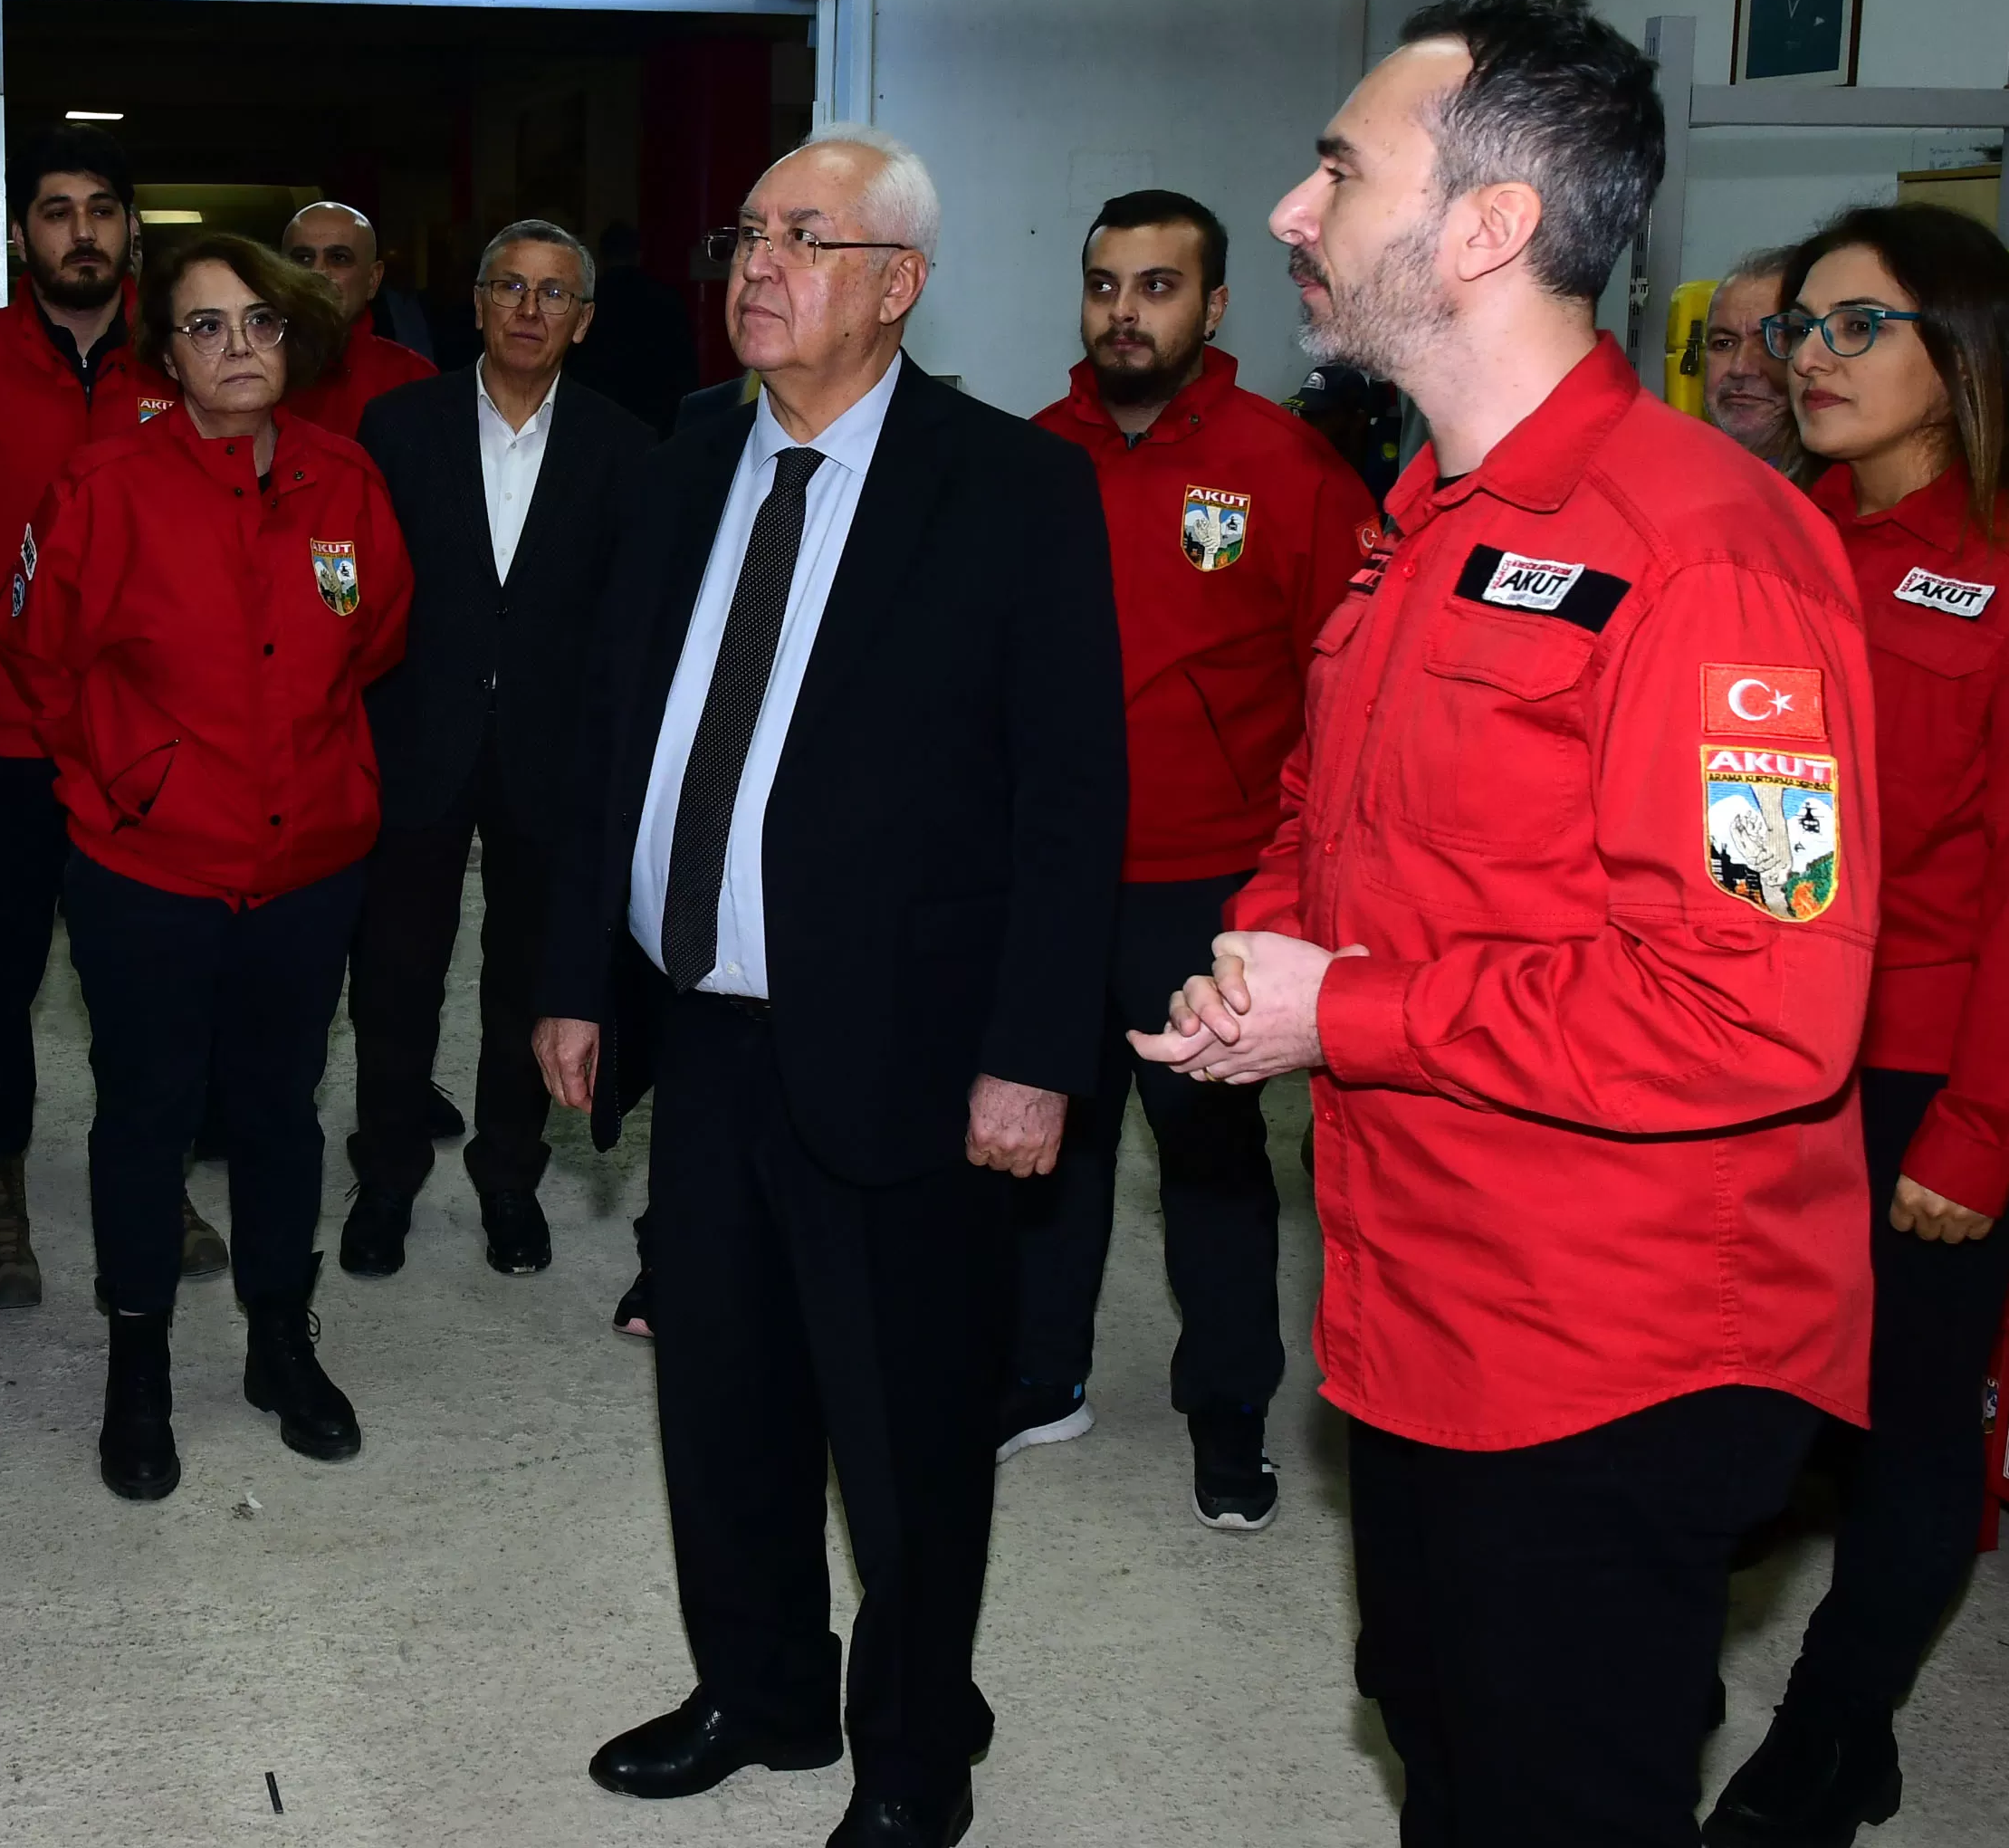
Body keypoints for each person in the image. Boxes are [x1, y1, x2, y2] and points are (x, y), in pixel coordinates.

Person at [1136, 0, 1881, 1848]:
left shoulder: (1710, 552)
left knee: (1552, 1792)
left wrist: (1349, 1014)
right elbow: (1344, 807)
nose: (1296, 215)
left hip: (1614, 1348)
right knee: (1441, 1741)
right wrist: (1266, 949)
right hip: (1425, 1305)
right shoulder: (1432, 510)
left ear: (1485, 230)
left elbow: (1755, 1013)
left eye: (1338, 169)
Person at [539, 130, 1124, 1848]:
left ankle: (914, 1745)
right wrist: (580, 967)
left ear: (898, 282)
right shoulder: (687, 457)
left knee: (907, 1427)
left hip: (909, 1042)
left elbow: (1069, 799)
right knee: (720, 1395)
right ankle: (762, 1686)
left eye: (807, 235)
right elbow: (614, 734)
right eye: (748, 231)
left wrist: (1033, 1057)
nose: (758, 263)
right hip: (701, 1023)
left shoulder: (1009, 486)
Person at [1705, 206, 2009, 1847]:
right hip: (1761, 1059)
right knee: (1739, 1393)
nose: (1802, 358)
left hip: (1926, 1090)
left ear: (1959, 348)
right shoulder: (1775, 530)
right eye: (1795, 327)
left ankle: (1827, 1735)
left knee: (1902, 1423)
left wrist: (1981, 1128)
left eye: (1852, 327)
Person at [1, 232, 413, 1502]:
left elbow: (376, 641)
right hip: (151, 870)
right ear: (164, 352)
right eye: (207, 327)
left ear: (296, 337)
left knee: (283, 1114)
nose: (240, 349)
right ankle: (138, 1367)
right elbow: (41, 660)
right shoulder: (104, 484)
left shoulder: (347, 481)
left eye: (262, 325)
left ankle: (280, 1344)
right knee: (145, 1117)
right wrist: (128, 783)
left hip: (308, 867)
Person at [1014, 187, 1375, 1529]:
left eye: (1158, 287)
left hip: (1209, 886)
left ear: (1214, 307)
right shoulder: (1028, 454)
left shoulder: (1288, 468)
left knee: (1214, 1171)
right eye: (1106, 284)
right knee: (1046, 1140)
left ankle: (1227, 1412)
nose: (1125, 311)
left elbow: (1346, 690)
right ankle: (1040, 1375)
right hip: (1051, 878)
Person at [0, 129, 224, 1307]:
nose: (80, 229)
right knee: (0, 978)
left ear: (131, 229)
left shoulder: (185, 363)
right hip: (5, 745)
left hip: (153, 747)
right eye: (55, 209)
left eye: (101, 209)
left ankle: (158, 1180)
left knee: (153, 980)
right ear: (19, 232)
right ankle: (2, 1189)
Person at [343, 218, 650, 1279]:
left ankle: (509, 1179)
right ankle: (385, 1176)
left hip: (550, 760)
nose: (528, 310)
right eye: (508, 288)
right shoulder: (397, 427)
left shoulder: (624, 447)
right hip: (417, 743)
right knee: (394, 978)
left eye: (553, 293)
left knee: (529, 982)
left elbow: (626, 626)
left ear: (584, 320)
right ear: (474, 304)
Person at [282, 201, 438, 436]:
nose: (318, 273)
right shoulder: (248, 370)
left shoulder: (414, 379)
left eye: (338, 258)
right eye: (303, 258)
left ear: (373, 280)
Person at [566, 221, 703, 436]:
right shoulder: (665, 298)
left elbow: (575, 364)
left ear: (601, 257)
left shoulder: (588, 303)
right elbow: (685, 365)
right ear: (638, 255)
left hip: (598, 419)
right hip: (657, 415)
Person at [1701, 244, 1800, 466]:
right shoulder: (1675, 472)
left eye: (1770, 342)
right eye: (1723, 344)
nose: (1739, 368)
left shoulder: (1838, 495)